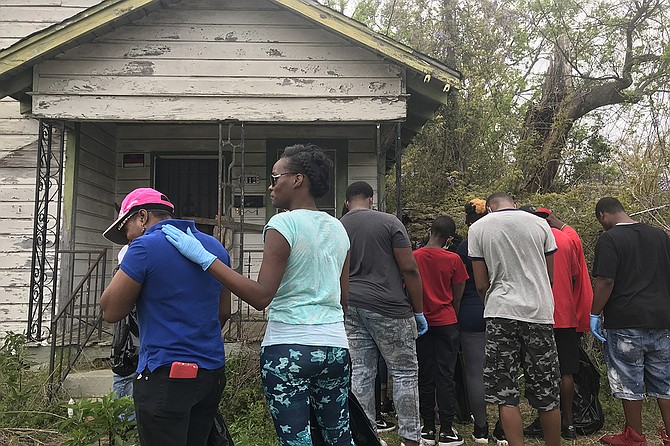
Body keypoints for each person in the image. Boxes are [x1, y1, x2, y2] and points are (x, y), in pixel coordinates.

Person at [162, 144, 355, 446]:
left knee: (296, 441)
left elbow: (262, 296)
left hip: (289, 348)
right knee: (340, 437)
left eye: (275, 177)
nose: (270, 186)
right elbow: (343, 299)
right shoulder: (338, 228)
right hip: (335, 347)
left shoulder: (283, 223)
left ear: (297, 180)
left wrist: (206, 258)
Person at [99, 187, 231, 446]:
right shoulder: (215, 246)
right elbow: (223, 312)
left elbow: (111, 311)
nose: (127, 239)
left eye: (126, 229)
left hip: (165, 373)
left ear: (143, 217)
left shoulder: (144, 247)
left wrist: (127, 267)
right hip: (211, 372)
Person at [468, 192, 561, 446]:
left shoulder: (478, 228)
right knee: (547, 389)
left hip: (500, 312)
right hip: (539, 313)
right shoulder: (541, 223)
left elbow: (480, 283)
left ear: (488, 208)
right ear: (515, 204)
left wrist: (492, 302)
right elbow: (550, 276)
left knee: (504, 392)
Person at [340, 181, 426, 446]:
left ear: (347, 202)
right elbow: (409, 269)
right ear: (371, 198)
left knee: (362, 373)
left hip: (352, 306)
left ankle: (366, 438)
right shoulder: (389, 222)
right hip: (389, 307)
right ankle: (410, 438)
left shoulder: (338, 226)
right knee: (403, 372)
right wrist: (419, 310)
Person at [590, 197, 670, 446]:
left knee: (629, 379)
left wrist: (594, 313)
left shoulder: (610, 239)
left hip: (625, 321)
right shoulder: (659, 236)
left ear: (603, 215)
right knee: (665, 381)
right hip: (662, 319)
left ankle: (634, 436)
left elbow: (606, 281)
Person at [519, 206, 581, 440]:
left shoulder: (530, 239)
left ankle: (543, 419)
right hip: (565, 312)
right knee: (566, 370)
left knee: (540, 370)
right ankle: (568, 423)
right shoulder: (565, 240)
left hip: (538, 312)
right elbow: (575, 276)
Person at [413, 216, 468, 446]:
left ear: (429, 231)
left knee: (425, 374)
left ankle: (426, 427)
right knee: (446, 375)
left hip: (421, 321)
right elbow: (458, 294)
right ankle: (446, 428)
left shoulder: (413, 257)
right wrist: (451, 314)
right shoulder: (454, 260)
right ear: (450, 238)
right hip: (446, 321)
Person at [456, 199, 506, 445]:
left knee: (475, 372)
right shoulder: (499, 240)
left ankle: (481, 428)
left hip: (470, 312)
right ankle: (503, 427)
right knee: (502, 371)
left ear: (467, 221)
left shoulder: (466, 245)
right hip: (500, 310)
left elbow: (458, 282)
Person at [543, 209, 593, 334]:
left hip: (548, 314)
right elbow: (574, 276)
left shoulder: (538, 239)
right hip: (569, 313)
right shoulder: (566, 237)